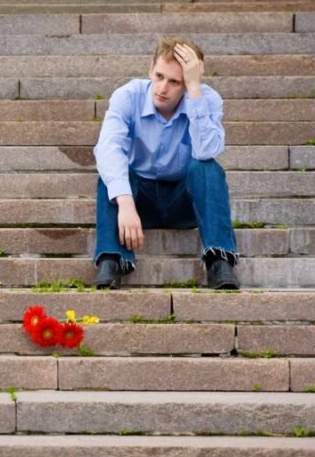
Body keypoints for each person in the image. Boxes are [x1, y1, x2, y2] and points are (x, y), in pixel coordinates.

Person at [92, 37, 239, 290]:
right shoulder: (128, 96)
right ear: (150, 69)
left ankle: (219, 261)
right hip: (139, 200)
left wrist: (194, 90)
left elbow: (207, 151)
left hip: (184, 202)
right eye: (159, 76)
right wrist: (125, 203)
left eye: (174, 82)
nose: (162, 88)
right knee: (113, 172)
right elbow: (108, 148)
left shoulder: (206, 100)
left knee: (207, 168)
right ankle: (111, 259)